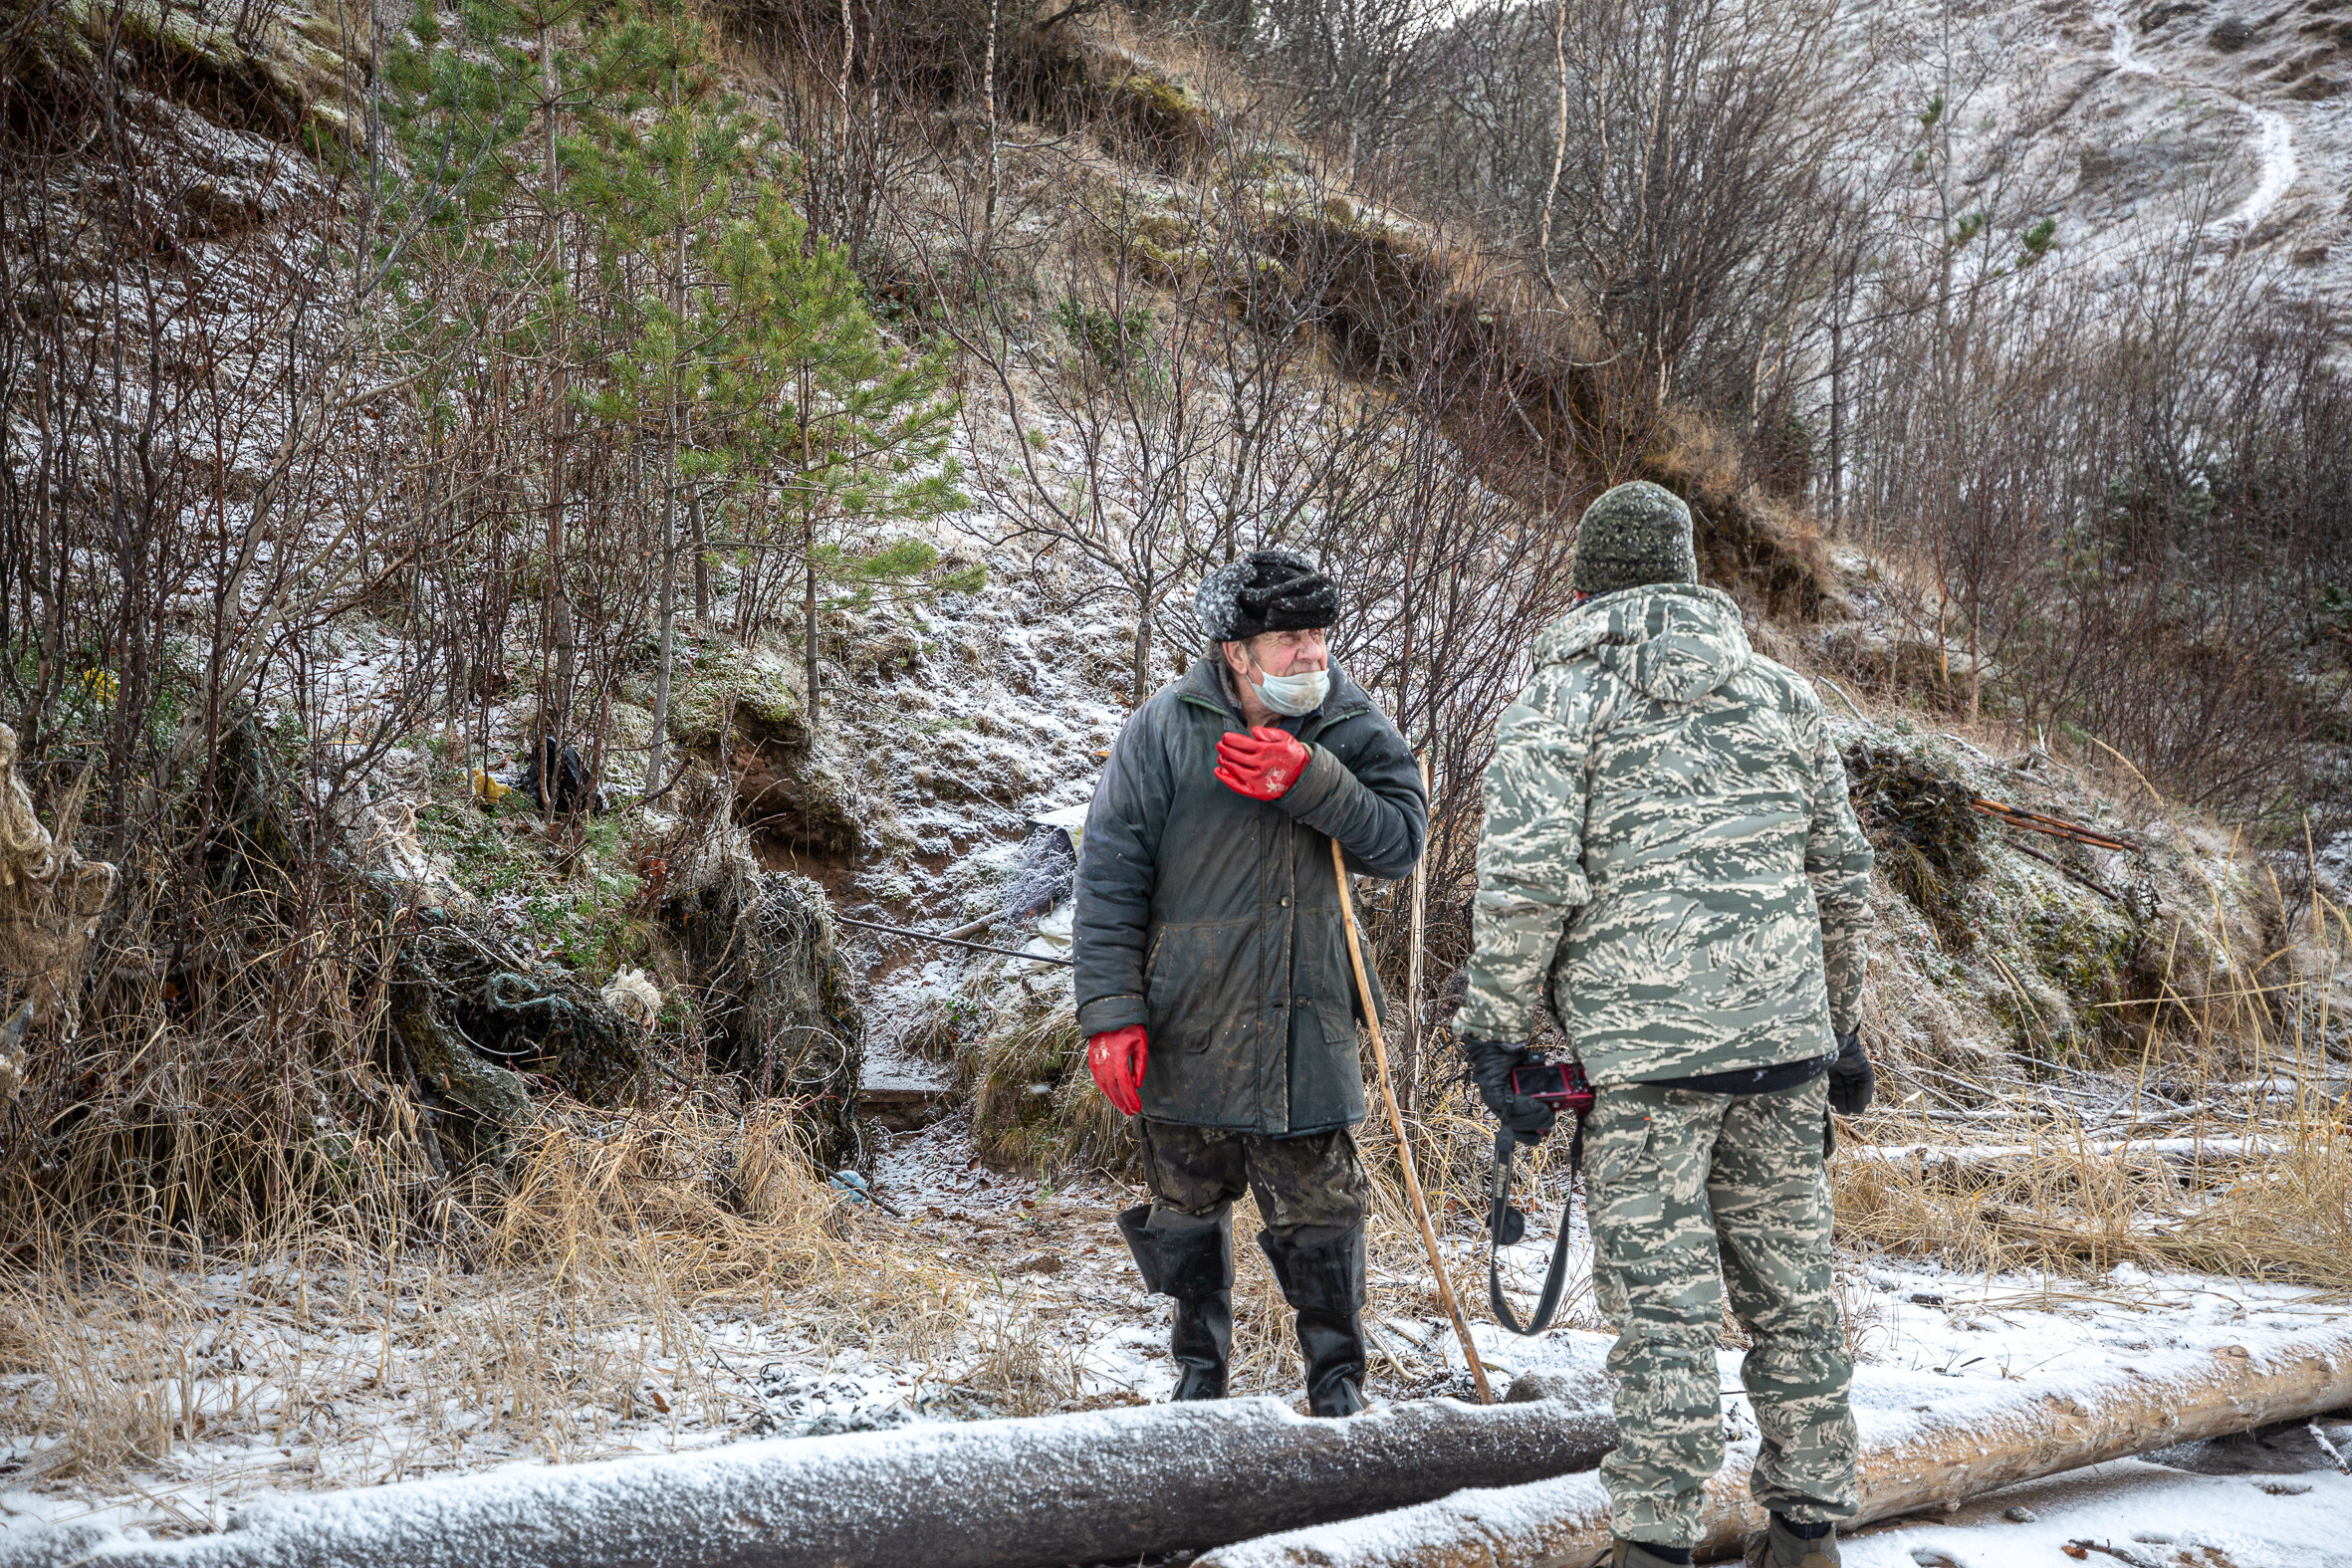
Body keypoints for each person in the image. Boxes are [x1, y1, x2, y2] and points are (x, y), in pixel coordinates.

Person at [1453, 482, 1878, 1568]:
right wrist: (1841, 1029)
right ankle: (1810, 1532)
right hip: (1783, 1047)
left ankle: (1653, 1545)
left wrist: (1498, 1031)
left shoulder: (1561, 699)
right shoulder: (1782, 695)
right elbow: (1840, 877)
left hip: (1645, 1063)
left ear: (1584, 583)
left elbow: (1524, 878)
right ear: (1690, 576)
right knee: (1794, 1297)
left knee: (1664, 1313)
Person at [1072, 550, 1427, 1418]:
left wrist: (1316, 783)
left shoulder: (1345, 721)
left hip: (1309, 1024)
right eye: (1292, 639)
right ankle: (1199, 1383)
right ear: (1237, 650)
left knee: (1324, 1217)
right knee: (1186, 1211)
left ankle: (1339, 1387)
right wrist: (1111, 1011)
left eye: (1321, 636)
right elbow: (1111, 874)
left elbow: (1402, 836)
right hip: (1190, 1018)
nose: (1315, 656)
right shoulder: (1163, 726)